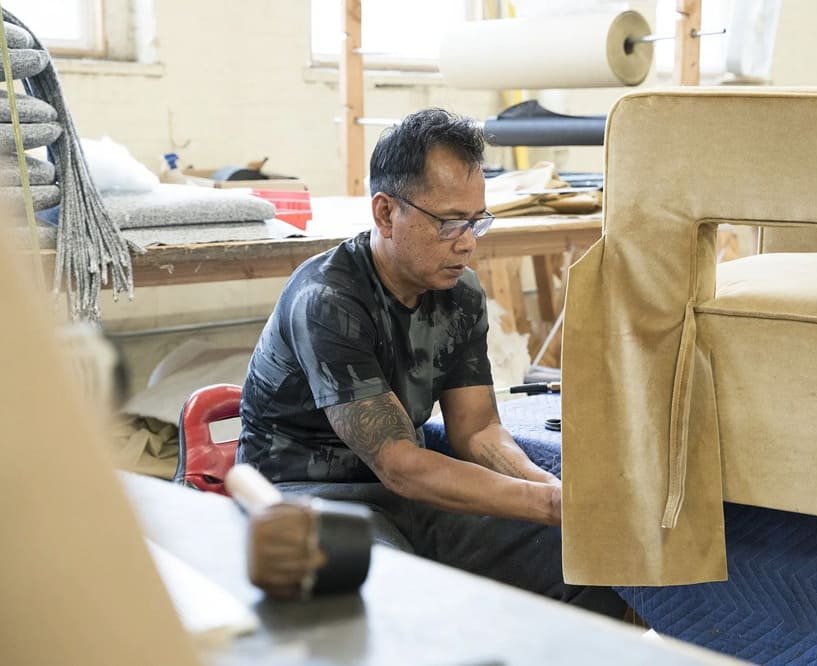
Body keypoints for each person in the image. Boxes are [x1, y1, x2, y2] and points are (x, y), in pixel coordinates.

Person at [237, 108, 625, 618]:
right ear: (384, 214)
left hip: (408, 498)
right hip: (308, 497)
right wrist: (550, 508)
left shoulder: (458, 292)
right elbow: (400, 463)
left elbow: (479, 431)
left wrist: (551, 491)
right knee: (395, 604)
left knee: (587, 566)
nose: (466, 242)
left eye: (475, 222)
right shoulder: (329, 299)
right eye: (448, 223)